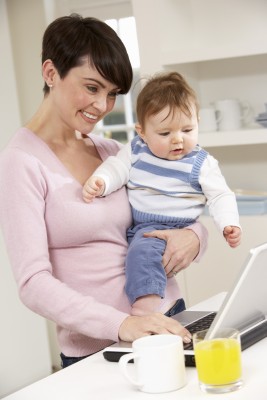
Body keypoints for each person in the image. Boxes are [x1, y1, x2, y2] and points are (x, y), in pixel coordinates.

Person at [0, 15, 208, 369]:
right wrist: (123, 324)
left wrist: (195, 235)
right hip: (101, 349)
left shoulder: (112, 153)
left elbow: (168, 206)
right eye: (93, 88)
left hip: (168, 318)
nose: (102, 106)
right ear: (50, 73)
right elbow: (33, 283)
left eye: (112, 94)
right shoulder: (20, 162)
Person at [83, 71, 241, 316]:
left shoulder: (200, 162)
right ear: (142, 132)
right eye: (165, 134)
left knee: (143, 253)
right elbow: (118, 167)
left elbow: (221, 195)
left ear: (198, 121)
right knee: (140, 253)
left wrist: (229, 223)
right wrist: (101, 181)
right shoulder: (136, 150)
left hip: (169, 226)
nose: (178, 140)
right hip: (142, 224)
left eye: (187, 129)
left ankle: (146, 303)